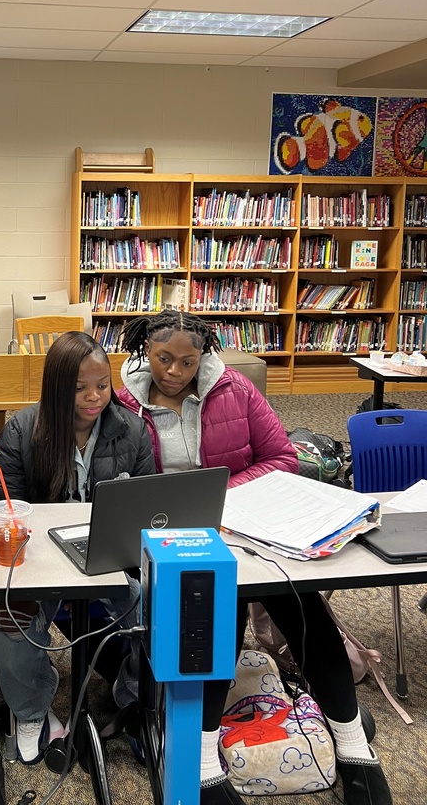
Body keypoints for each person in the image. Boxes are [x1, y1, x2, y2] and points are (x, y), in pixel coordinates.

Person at [117, 309, 392, 805]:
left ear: (203, 356)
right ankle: (202, 762)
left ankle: (354, 747)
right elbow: (124, 487)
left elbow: (282, 458)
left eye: (187, 360)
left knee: (303, 606)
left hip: (249, 528)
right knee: (215, 618)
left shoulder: (236, 391)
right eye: (163, 359)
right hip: (175, 544)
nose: (174, 372)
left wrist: (219, 498)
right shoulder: (124, 405)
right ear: (144, 352)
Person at [0, 330, 155, 764]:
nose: (94, 397)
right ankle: (32, 709)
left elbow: (151, 507)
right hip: (39, 560)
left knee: (164, 607)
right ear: (57, 387)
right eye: (79, 388)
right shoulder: (23, 429)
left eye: (102, 384)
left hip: (112, 561)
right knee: (3, 618)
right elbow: (8, 511)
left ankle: (132, 690)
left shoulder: (131, 429)